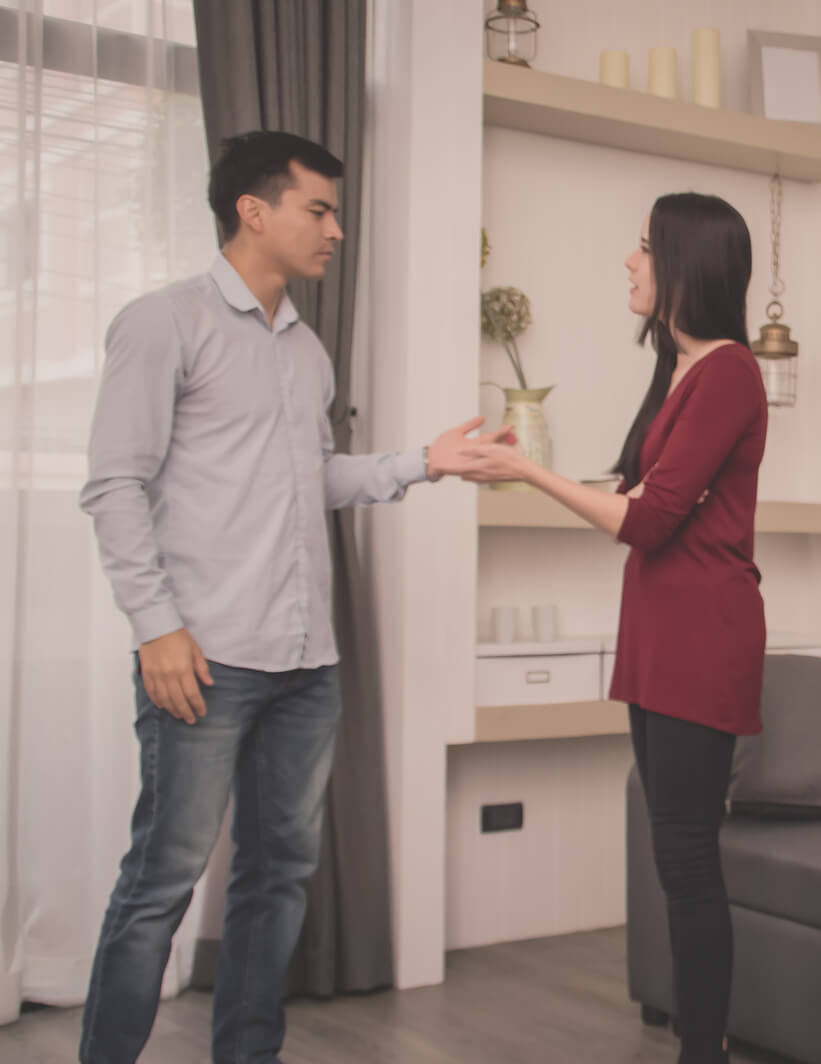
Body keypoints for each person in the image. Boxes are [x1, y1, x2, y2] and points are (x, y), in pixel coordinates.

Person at [78, 130, 509, 1064]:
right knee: (162, 880)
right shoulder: (165, 323)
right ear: (254, 210)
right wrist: (156, 628)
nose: (336, 231)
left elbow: (308, 478)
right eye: (319, 209)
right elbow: (114, 485)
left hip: (306, 663)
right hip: (204, 658)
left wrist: (423, 464)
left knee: (278, 883)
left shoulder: (306, 351)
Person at [459, 191, 767, 1064]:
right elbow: (640, 494)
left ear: (686, 264)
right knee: (676, 858)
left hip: (700, 640)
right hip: (661, 635)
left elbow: (645, 519)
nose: (630, 264)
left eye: (643, 248)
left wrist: (528, 467)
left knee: (688, 860)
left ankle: (701, 1056)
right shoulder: (684, 368)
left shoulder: (732, 372)